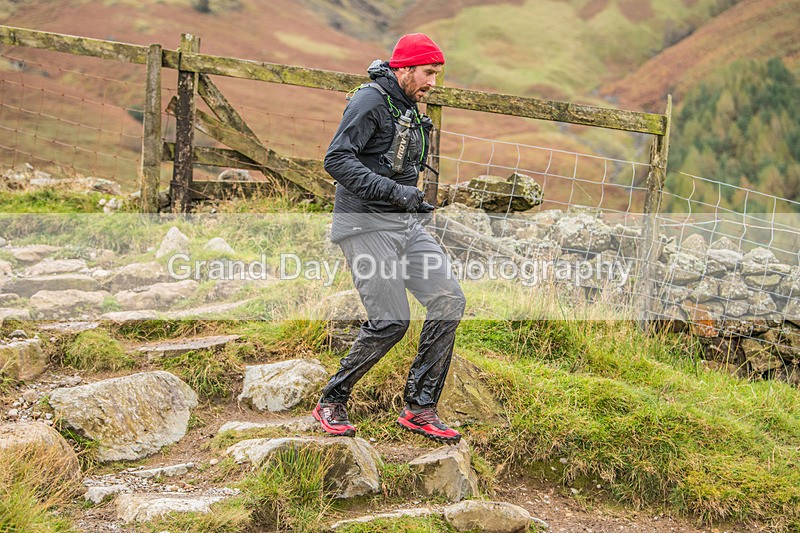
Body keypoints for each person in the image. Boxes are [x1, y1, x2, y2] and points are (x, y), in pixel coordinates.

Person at [312, 33, 466, 444]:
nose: (433, 82)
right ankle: (332, 399)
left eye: (436, 73)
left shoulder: (409, 106)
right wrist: (396, 193)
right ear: (405, 68)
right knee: (392, 320)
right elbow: (336, 159)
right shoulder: (370, 101)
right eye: (429, 73)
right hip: (364, 226)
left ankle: (420, 408)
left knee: (449, 299)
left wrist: (409, 202)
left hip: (404, 226)